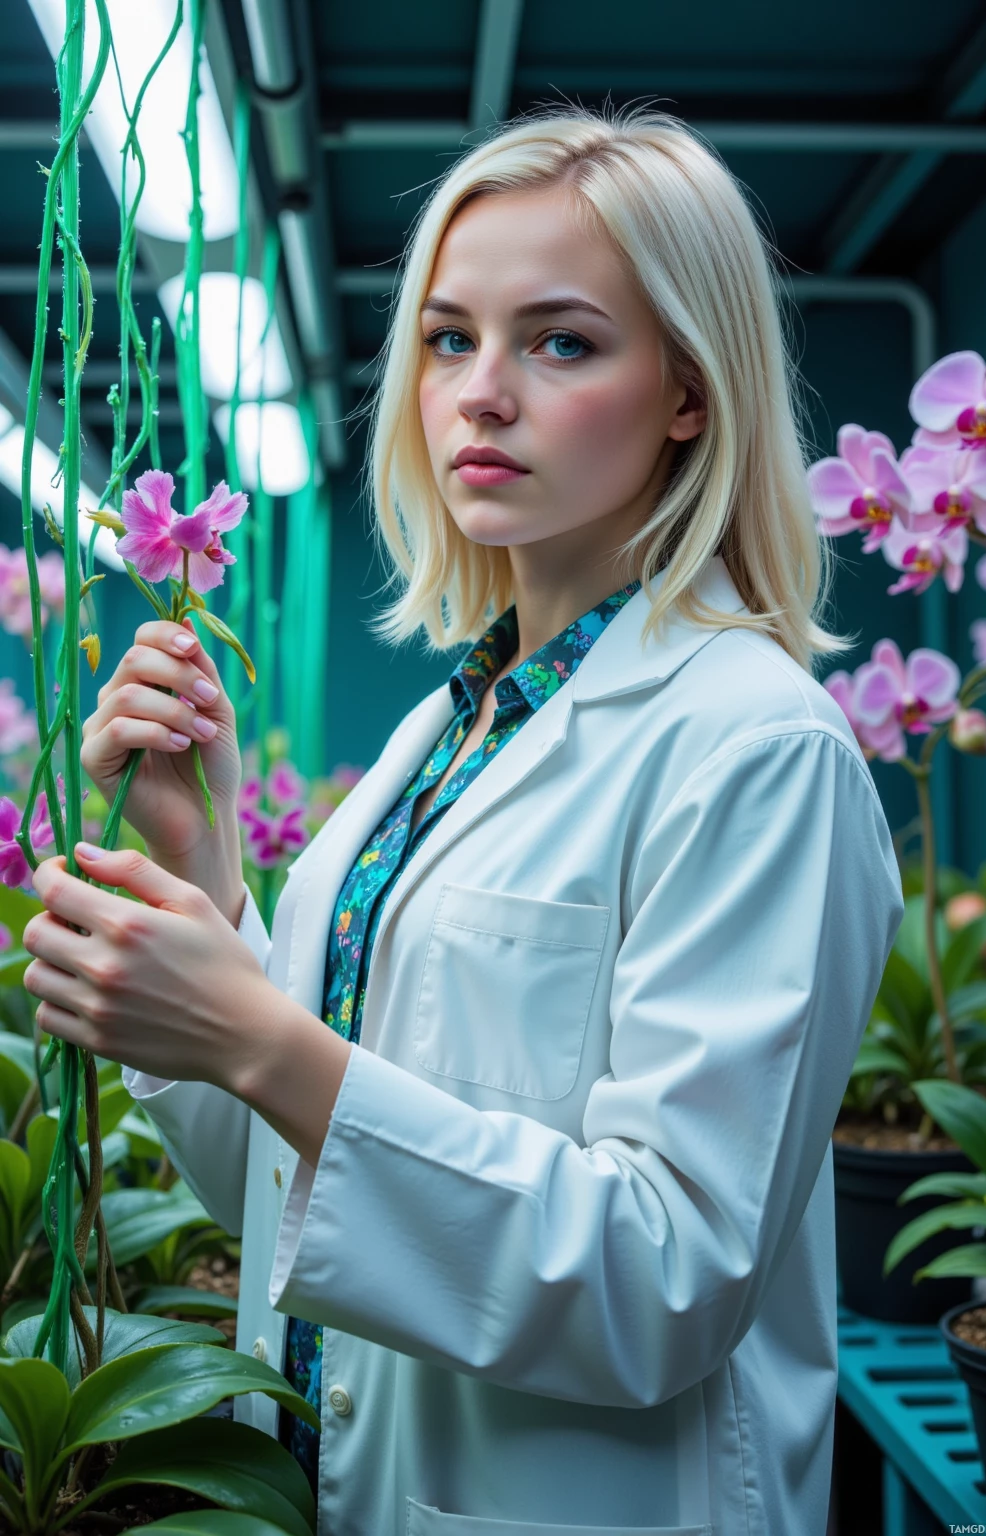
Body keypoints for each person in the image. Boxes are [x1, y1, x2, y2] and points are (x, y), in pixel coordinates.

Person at [22, 106, 903, 1535]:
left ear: (689, 390)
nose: (481, 394)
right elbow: (289, 1185)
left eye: (561, 342)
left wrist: (256, 1034)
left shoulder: (755, 750)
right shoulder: (451, 731)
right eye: (448, 338)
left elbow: (661, 1281)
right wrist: (211, 879)